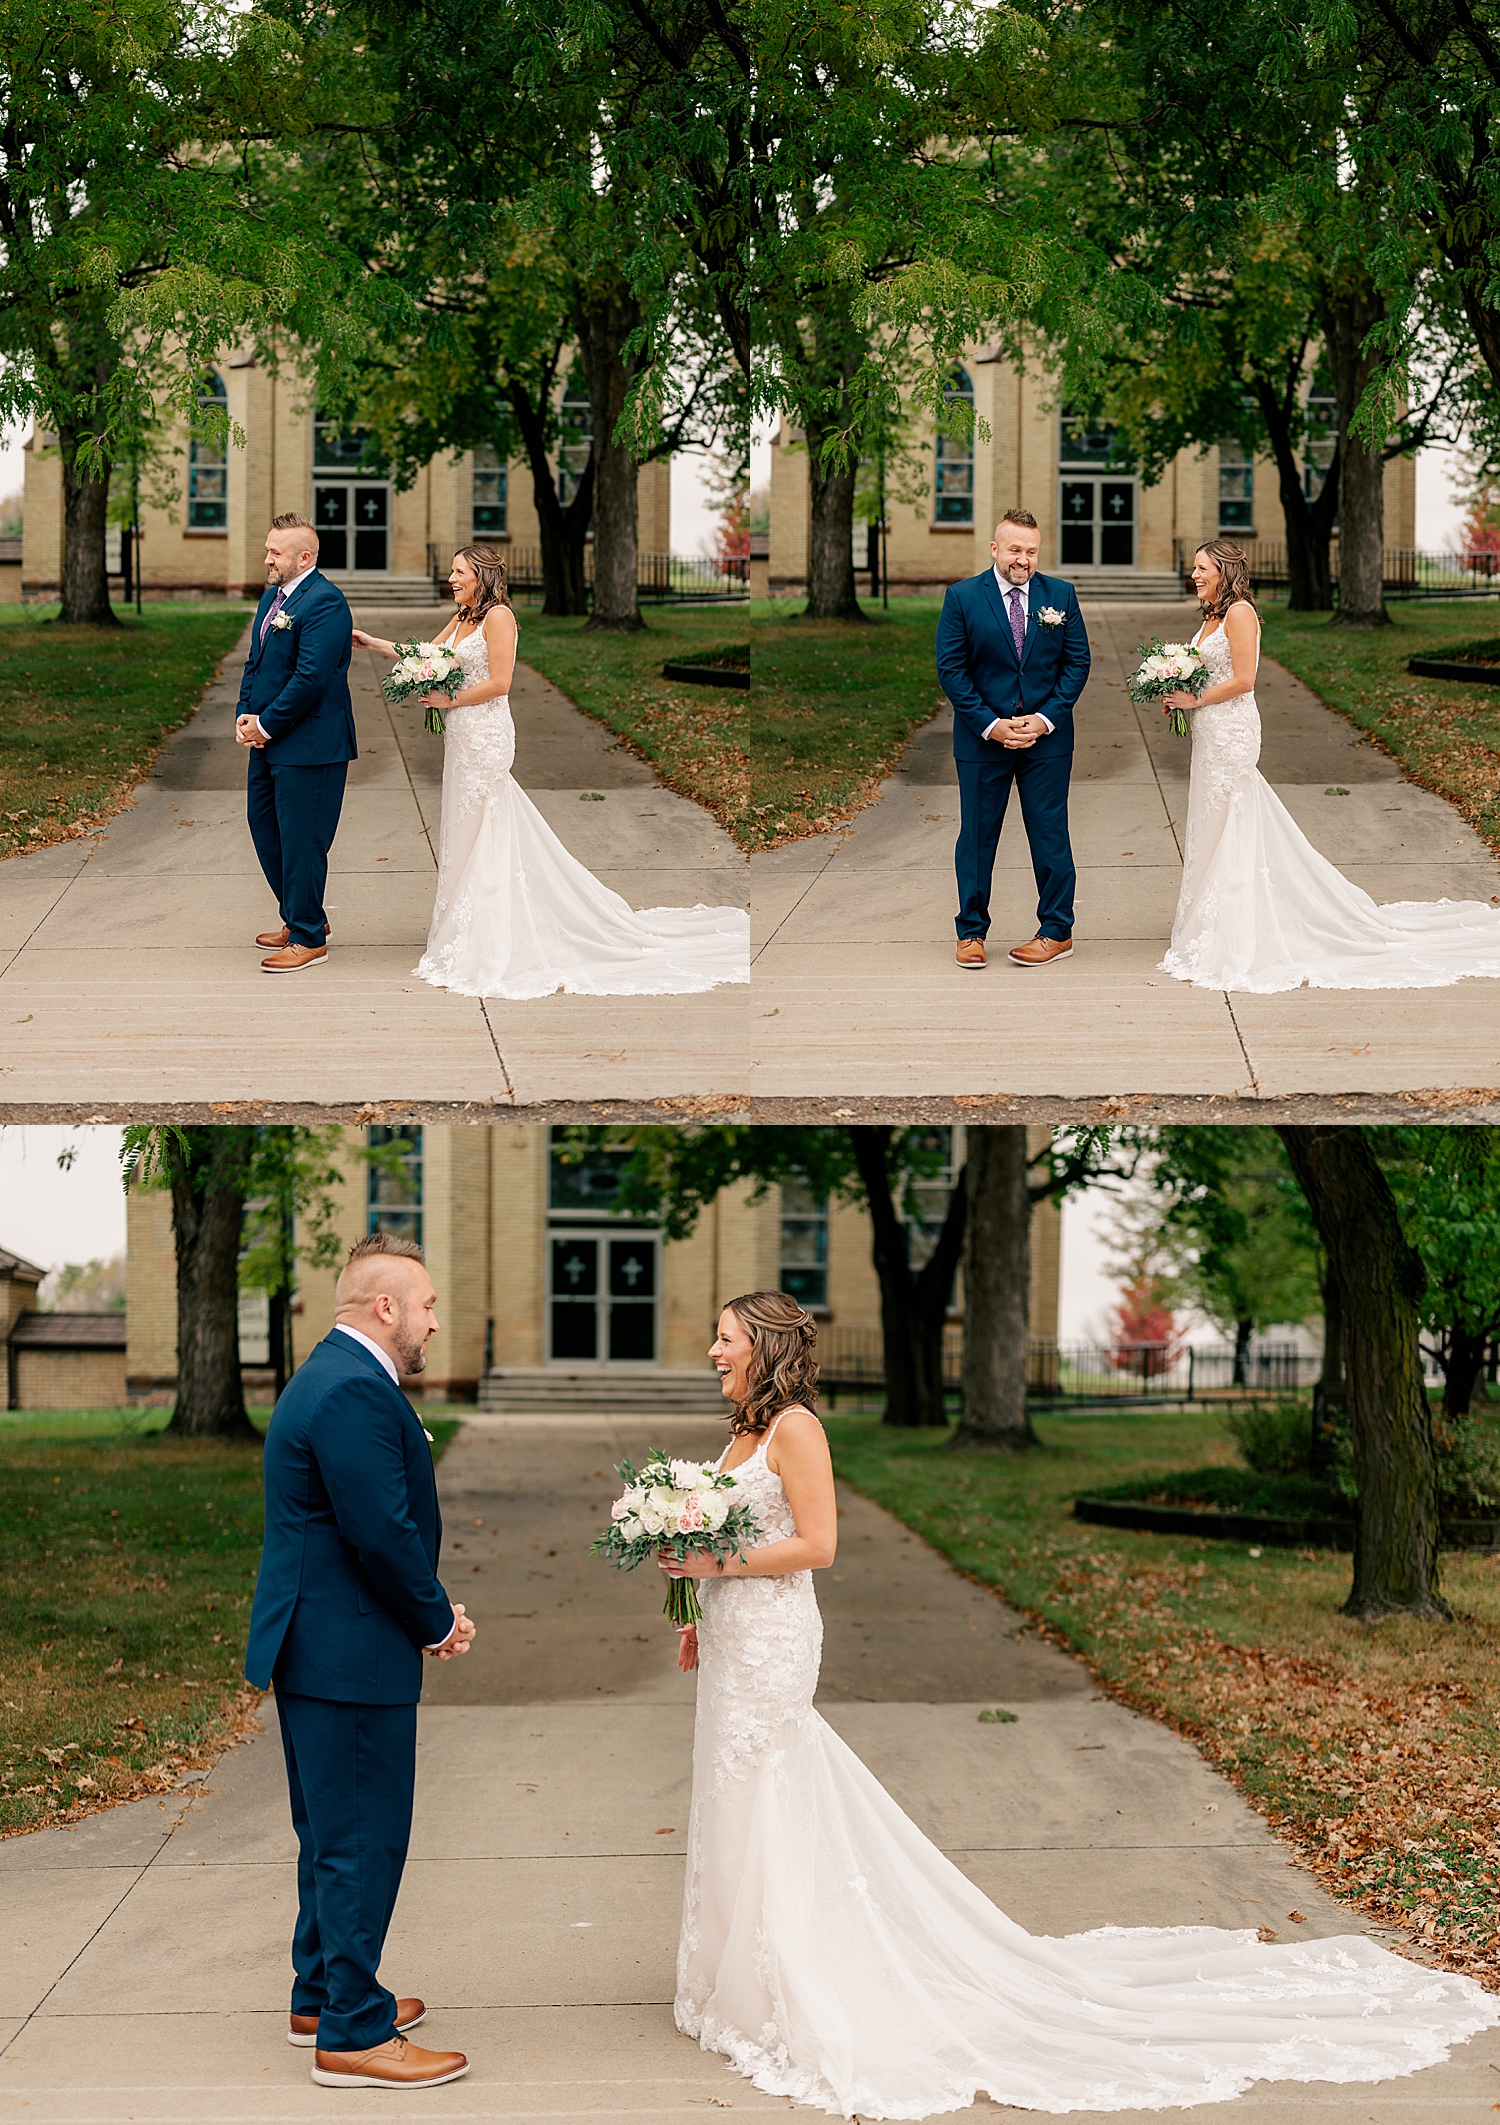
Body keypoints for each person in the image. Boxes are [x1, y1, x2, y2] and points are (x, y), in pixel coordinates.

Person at [664, 1289, 1497, 2119]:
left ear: (765, 1345)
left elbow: (819, 1544)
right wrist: (700, 1611)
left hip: (775, 1643)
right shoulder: (742, 1431)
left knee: (769, 1783)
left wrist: (713, 1570)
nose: (713, 1349)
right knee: (734, 1790)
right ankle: (738, 1974)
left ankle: (785, 1977)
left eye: (725, 1336)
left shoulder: (797, 1428)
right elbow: (733, 1534)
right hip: (737, 1638)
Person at [244, 1232, 476, 2090]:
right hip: (348, 1650)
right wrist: (436, 1620)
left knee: (331, 1836)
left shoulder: (334, 1376)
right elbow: (381, 1530)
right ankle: (352, 2031)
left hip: (327, 1647)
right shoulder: (349, 1390)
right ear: (387, 1307)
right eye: (427, 1306)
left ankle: (320, 1994)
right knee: (360, 1841)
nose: (434, 1322)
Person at [353, 547, 749, 999]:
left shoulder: (499, 617)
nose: (451, 577)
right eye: (453, 571)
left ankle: (491, 931)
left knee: (489, 823)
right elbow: (426, 654)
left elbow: (501, 683)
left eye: (459, 572)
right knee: (464, 827)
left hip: (485, 733)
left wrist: (450, 701)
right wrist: (376, 644)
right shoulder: (462, 615)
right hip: (460, 738)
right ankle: (467, 923)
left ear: (481, 575)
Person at [1160, 540, 1500, 991]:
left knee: (1234, 821)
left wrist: (1195, 698)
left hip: (1232, 732)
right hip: (1209, 731)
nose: (1194, 575)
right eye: (1195, 568)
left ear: (1224, 571)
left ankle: (1234, 930)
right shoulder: (1210, 617)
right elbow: (1208, 671)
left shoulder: (1240, 613)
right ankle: (1212, 920)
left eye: (1202, 568)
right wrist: (1178, 691)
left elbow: (1245, 680)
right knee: (1212, 821)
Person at [934, 510, 1091, 971]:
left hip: (1047, 741)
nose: (1024, 559)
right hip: (983, 741)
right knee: (978, 838)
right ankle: (971, 933)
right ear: (995, 549)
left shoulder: (1060, 595)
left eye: (1032, 551)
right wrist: (991, 724)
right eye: (1015, 549)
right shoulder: (962, 597)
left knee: (1050, 835)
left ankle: (1056, 931)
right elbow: (952, 670)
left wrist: (1044, 720)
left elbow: (1076, 664)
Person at [235, 515, 357, 975]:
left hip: (310, 745)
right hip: (267, 739)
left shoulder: (325, 603)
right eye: (268, 550)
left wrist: (265, 725)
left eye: (276, 553)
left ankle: (308, 937)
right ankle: (301, 915)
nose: (267, 558)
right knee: (265, 826)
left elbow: (311, 679)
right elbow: (256, 663)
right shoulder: (272, 598)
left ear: (304, 558)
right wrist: (245, 716)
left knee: (303, 840)